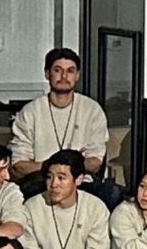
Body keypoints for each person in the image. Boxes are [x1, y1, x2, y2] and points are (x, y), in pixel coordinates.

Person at [10, 47, 112, 202]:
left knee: (111, 194)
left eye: (70, 71)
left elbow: (95, 163)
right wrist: (53, 168)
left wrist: (66, 170)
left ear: (77, 75)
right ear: (47, 74)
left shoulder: (92, 110)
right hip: (42, 182)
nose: (64, 76)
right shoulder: (30, 112)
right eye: (58, 70)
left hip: (81, 183)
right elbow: (19, 164)